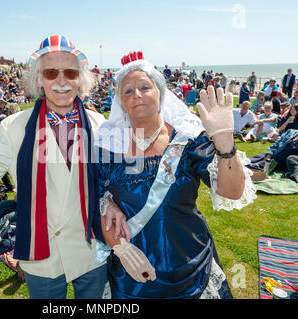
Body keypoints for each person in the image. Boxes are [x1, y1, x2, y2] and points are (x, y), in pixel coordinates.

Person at [0, 35, 117, 299]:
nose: (62, 80)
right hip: (41, 256)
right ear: (39, 79)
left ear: (81, 78)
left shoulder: (101, 126)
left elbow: (116, 183)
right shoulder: (14, 126)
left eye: (70, 72)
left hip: (91, 251)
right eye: (51, 72)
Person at [94, 52, 255, 299]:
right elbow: (96, 201)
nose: (136, 94)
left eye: (145, 87)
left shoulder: (188, 141)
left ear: (161, 94)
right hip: (131, 271)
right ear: (120, 102)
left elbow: (231, 192)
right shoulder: (108, 147)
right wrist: (121, 249)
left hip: (190, 266)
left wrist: (224, 142)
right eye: (127, 91)